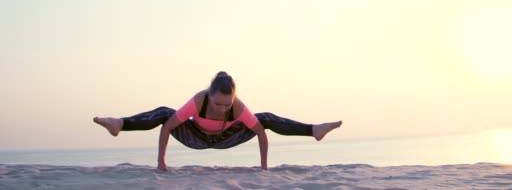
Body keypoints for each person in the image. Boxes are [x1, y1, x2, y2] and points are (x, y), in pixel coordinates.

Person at [93, 71, 342, 171]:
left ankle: (314, 130)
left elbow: (261, 133)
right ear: (209, 96)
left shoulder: (238, 107)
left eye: (227, 104)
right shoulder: (198, 100)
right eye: (218, 104)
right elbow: (168, 127)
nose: (223, 108)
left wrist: (264, 167)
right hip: (195, 137)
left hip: (226, 138)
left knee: (263, 118)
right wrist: (161, 162)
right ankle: (119, 124)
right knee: (164, 112)